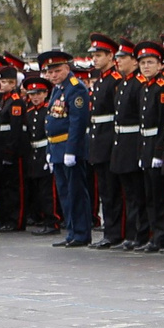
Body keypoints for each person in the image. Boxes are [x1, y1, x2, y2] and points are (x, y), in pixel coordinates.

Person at [39, 51, 92, 247]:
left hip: (71, 148)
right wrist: (50, 152)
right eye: (50, 72)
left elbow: (77, 122)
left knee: (76, 192)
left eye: (57, 70)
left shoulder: (75, 89)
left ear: (67, 68)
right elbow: (51, 121)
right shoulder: (57, 89)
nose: (53, 75)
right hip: (57, 148)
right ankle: (71, 231)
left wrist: (71, 150)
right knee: (64, 192)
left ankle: (81, 233)